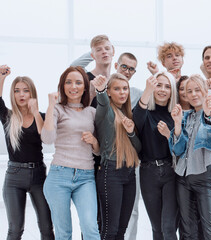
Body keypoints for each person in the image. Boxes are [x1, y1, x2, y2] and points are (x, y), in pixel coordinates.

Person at [41, 66, 100, 240]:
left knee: (90, 228)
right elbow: (47, 138)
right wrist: (51, 105)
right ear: (62, 86)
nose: (73, 86)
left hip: (85, 177)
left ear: (85, 87)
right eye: (68, 82)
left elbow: (98, 151)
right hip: (59, 176)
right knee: (63, 233)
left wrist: (94, 141)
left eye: (78, 82)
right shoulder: (58, 109)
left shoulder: (92, 112)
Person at [0, 65, 54, 240]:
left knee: (47, 228)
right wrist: (2, 77)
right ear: (13, 94)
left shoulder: (43, 116)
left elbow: (45, 137)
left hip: (39, 175)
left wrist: (35, 112)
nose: (21, 95)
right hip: (14, 177)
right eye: (17, 91)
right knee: (15, 230)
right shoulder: (8, 116)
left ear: (32, 94)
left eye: (25, 91)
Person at [169, 74, 211, 239]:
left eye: (197, 90)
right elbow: (177, 150)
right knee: (187, 230)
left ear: (205, 91)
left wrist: (207, 116)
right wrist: (177, 125)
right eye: (189, 91)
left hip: (205, 175)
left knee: (210, 229)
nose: (193, 95)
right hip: (183, 177)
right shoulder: (186, 116)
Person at [91, 73, 141, 240]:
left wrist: (131, 132)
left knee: (121, 229)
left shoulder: (127, 114)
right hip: (110, 173)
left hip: (129, 174)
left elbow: (138, 148)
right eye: (117, 89)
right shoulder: (106, 112)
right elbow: (102, 101)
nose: (122, 92)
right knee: (109, 230)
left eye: (125, 88)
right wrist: (100, 90)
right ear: (109, 92)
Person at [133, 71, 178, 240]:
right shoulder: (144, 111)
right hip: (148, 172)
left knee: (168, 227)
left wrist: (169, 135)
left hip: (171, 172)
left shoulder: (174, 114)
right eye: (159, 85)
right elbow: (136, 121)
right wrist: (147, 91)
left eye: (167, 86)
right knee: (157, 228)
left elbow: (181, 146)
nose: (163, 90)